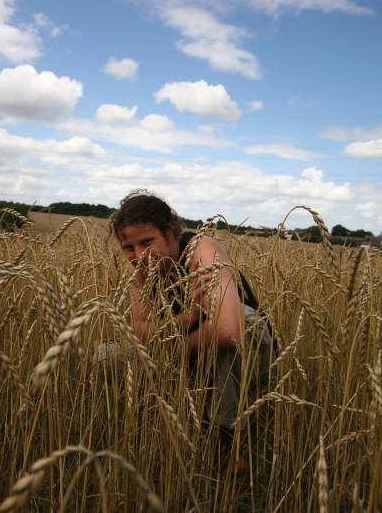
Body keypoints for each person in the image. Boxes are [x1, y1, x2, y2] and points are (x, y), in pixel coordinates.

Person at [104, 190, 276, 469]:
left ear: (171, 232)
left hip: (254, 357)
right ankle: (137, 425)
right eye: (129, 248)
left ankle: (227, 443)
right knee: (105, 355)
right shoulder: (138, 268)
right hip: (191, 349)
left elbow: (229, 331)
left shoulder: (201, 248)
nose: (139, 256)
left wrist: (170, 347)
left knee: (238, 319)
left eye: (148, 242)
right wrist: (191, 315)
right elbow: (140, 330)